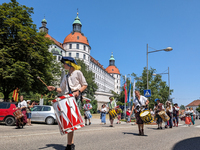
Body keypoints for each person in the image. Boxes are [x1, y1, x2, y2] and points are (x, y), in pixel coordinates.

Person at [47, 57, 88, 150]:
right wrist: (53, 88)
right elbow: (61, 90)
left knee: (71, 121)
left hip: (75, 98)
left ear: (69, 64)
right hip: (68, 98)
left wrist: (78, 91)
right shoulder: (66, 77)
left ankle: (70, 144)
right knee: (69, 121)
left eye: (64, 63)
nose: (63, 65)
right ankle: (70, 144)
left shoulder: (78, 73)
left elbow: (85, 84)